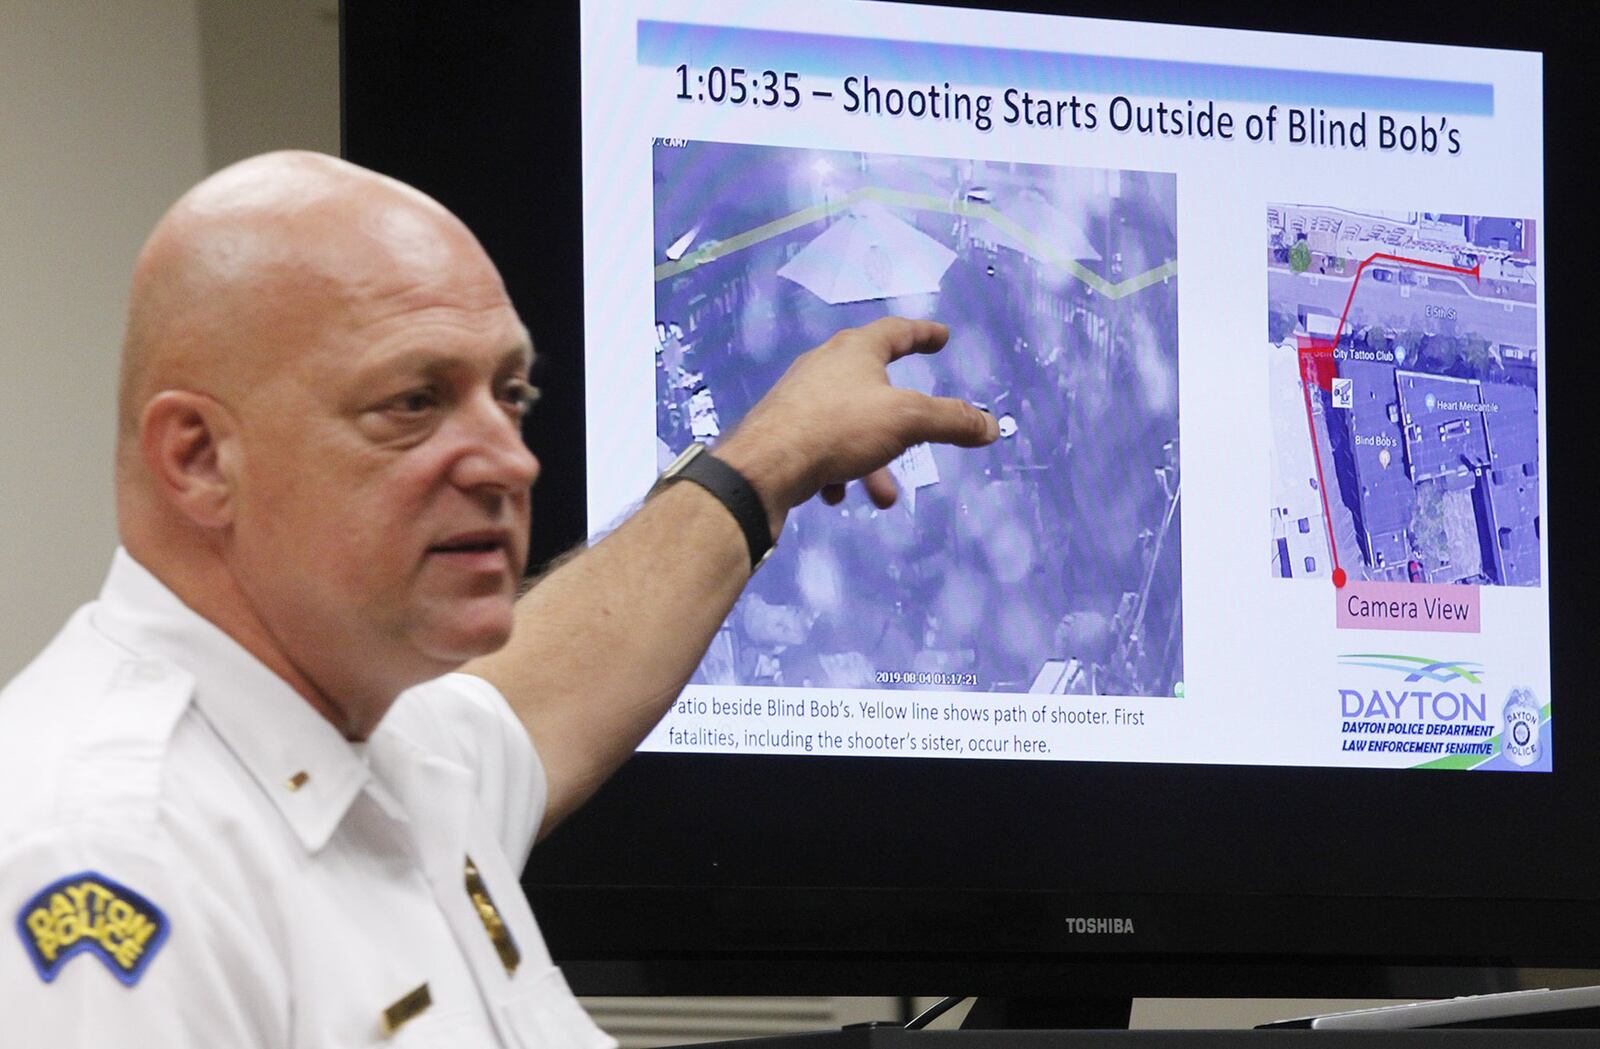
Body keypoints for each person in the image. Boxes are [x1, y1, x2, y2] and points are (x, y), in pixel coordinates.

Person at [0, 151, 997, 1044]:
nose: (508, 459)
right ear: (199, 456)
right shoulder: (116, 851)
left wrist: (773, 456)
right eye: (414, 401)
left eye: (509, 394)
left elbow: (563, 671)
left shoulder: (386, 748)